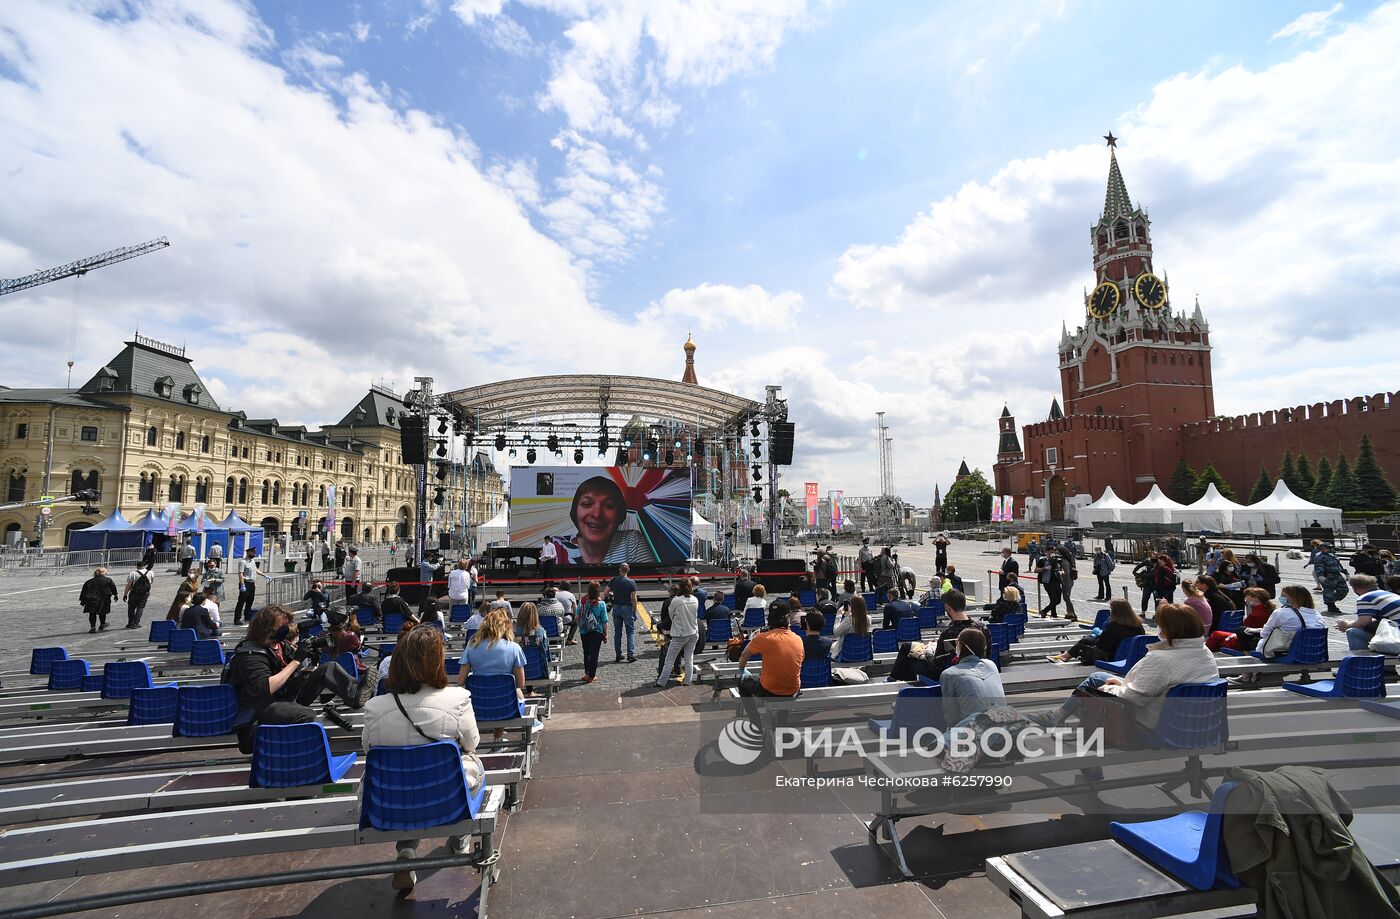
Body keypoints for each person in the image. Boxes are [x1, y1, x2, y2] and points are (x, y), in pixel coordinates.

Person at [361, 626, 484, 890]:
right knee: (470, 765)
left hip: (388, 802)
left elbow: (368, 750)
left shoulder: (374, 707)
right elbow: (472, 743)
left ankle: (406, 849)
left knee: (402, 776)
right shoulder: (458, 699)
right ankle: (459, 838)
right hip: (443, 797)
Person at [1032, 602, 1218, 739]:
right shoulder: (1205, 653)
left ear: (1169, 630)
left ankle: (1085, 745)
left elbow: (1132, 698)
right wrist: (1121, 683)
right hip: (1196, 722)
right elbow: (1164, 684)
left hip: (1153, 724)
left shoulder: (1161, 659)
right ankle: (1060, 716)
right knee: (1098, 676)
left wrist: (1110, 688)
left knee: (1093, 689)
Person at [225, 605, 378, 733]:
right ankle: (298, 755)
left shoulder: (280, 645)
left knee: (328, 668)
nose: (286, 628)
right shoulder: (250, 654)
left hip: (286, 695)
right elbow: (265, 688)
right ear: (267, 628)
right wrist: (297, 660)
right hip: (263, 707)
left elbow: (291, 675)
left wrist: (311, 665)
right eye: (282, 625)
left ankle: (354, 694)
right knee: (306, 715)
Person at [889, 590, 986, 682]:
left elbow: (937, 665)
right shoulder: (982, 628)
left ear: (948, 608)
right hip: (978, 668)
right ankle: (895, 680)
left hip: (944, 672)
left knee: (908, 654)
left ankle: (896, 680)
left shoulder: (948, 633)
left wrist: (926, 651)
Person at [559, 475, 651, 565]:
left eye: (609, 506)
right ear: (575, 511)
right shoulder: (557, 546)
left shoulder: (631, 543)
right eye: (587, 504)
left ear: (619, 513)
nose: (597, 514)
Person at [736, 604, 804, 701]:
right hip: (793, 689)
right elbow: (801, 659)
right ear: (787, 619)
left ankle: (754, 716)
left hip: (769, 690)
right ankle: (782, 716)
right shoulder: (798, 639)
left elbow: (744, 655)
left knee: (742, 682)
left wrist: (742, 669)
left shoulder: (763, 637)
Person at [938, 629, 1005, 729]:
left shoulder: (949, 675)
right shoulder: (991, 665)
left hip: (976, 733)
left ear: (961, 646)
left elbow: (951, 718)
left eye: (957, 643)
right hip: (1005, 725)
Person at [456, 609, 527, 701]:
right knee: (518, 691)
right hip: (506, 704)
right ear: (506, 627)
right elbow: (521, 683)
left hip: (479, 703)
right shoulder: (514, 648)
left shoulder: (471, 646)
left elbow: (460, 681)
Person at [1049, 599, 1146, 665]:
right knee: (1090, 638)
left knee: (1086, 639)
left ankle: (1066, 656)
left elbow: (1102, 646)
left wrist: (1098, 635)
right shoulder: (1138, 626)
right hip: (1131, 656)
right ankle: (1066, 656)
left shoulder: (1114, 626)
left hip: (1111, 656)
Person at [1337, 575, 1400, 651]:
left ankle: (1363, 660)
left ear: (1354, 588)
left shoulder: (1365, 598)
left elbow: (1362, 623)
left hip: (1396, 636)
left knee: (1352, 632)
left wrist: (1346, 624)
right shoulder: (1387, 594)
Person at [656, 579, 700, 687]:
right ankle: (687, 681)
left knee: (669, 659)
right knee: (689, 658)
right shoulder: (695, 599)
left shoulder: (676, 601)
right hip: (693, 632)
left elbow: (671, 615)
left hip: (680, 634)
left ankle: (661, 682)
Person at [1206, 587, 1273, 652]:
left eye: (1247, 596)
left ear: (1255, 598)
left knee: (1216, 634)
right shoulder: (1267, 610)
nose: (1245, 598)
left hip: (1248, 639)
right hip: (1259, 637)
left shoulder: (1255, 614)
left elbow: (1246, 632)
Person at [607, 562, 639, 663]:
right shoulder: (631, 582)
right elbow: (633, 599)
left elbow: (605, 593)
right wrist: (635, 610)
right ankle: (630, 654)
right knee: (630, 632)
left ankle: (618, 654)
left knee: (617, 632)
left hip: (616, 608)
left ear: (619, 570)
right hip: (627, 608)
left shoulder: (613, 580)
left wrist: (613, 594)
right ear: (628, 570)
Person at [578, 581, 608, 683]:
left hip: (584, 631)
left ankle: (587, 673)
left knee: (586, 652)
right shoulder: (601, 604)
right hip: (597, 631)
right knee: (594, 653)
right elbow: (604, 620)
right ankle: (591, 676)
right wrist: (605, 633)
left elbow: (578, 616)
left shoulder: (582, 601)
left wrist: (581, 626)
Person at [80, 566, 118, 633]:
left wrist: (82, 601)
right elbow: (113, 588)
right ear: (104, 573)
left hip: (91, 600)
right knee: (102, 612)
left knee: (92, 613)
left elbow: (84, 591)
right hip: (104, 599)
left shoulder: (89, 581)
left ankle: (93, 627)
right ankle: (102, 624)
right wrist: (115, 595)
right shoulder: (108, 580)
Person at [831, 595, 871, 659]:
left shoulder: (848, 620)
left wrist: (839, 616)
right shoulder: (868, 619)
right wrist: (848, 615)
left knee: (831, 646)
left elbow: (836, 633)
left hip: (846, 654)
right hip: (862, 652)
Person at [1312, 544, 1348, 614]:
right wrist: (1320, 576)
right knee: (1329, 591)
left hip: (1338, 575)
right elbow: (1319, 567)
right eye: (1329, 548)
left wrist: (1346, 573)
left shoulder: (1333, 555)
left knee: (1344, 590)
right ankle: (1331, 605)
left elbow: (1339, 565)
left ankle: (1330, 600)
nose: (1331, 549)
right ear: (1324, 548)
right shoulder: (1319, 557)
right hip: (1328, 576)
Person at [122, 563, 154, 630]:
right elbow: (151, 582)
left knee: (131, 608)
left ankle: (130, 623)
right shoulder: (150, 572)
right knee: (140, 607)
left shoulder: (133, 573)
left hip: (134, 592)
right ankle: (136, 623)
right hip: (145, 593)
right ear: (144, 566)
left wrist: (125, 594)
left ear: (137, 566)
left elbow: (129, 585)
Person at [233, 548, 259, 625]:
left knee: (250, 601)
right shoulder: (243, 562)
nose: (254, 554)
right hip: (245, 583)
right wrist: (242, 584)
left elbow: (255, 570)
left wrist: (264, 575)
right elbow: (240, 573)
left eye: (254, 553)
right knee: (241, 601)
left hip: (252, 583)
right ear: (248, 553)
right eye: (253, 553)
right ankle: (237, 619)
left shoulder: (252, 561)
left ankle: (247, 616)